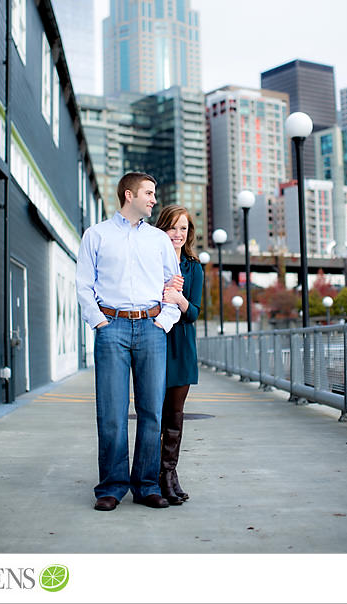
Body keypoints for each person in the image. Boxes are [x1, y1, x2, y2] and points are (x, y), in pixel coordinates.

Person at [77, 172, 183, 511]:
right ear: (129, 195)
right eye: (149, 193)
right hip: (113, 328)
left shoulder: (159, 240)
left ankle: (147, 485)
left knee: (151, 411)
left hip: (151, 328)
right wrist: (99, 323)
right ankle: (111, 486)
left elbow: (173, 283)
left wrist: (163, 322)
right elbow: (83, 286)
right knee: (111, 412)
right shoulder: (96, 235)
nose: (154, 199)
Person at [155, 205, 204, 505]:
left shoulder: (193, 267)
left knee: (174, 416)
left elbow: (194, 313)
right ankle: (151, 477)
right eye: (172, 227)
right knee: (153, 415)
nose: (177, 233)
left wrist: (178, 299)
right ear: (162, 229)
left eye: (183, 228)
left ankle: (168, 475)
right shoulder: (150, 260)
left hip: (181, 346)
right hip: (154, 342)